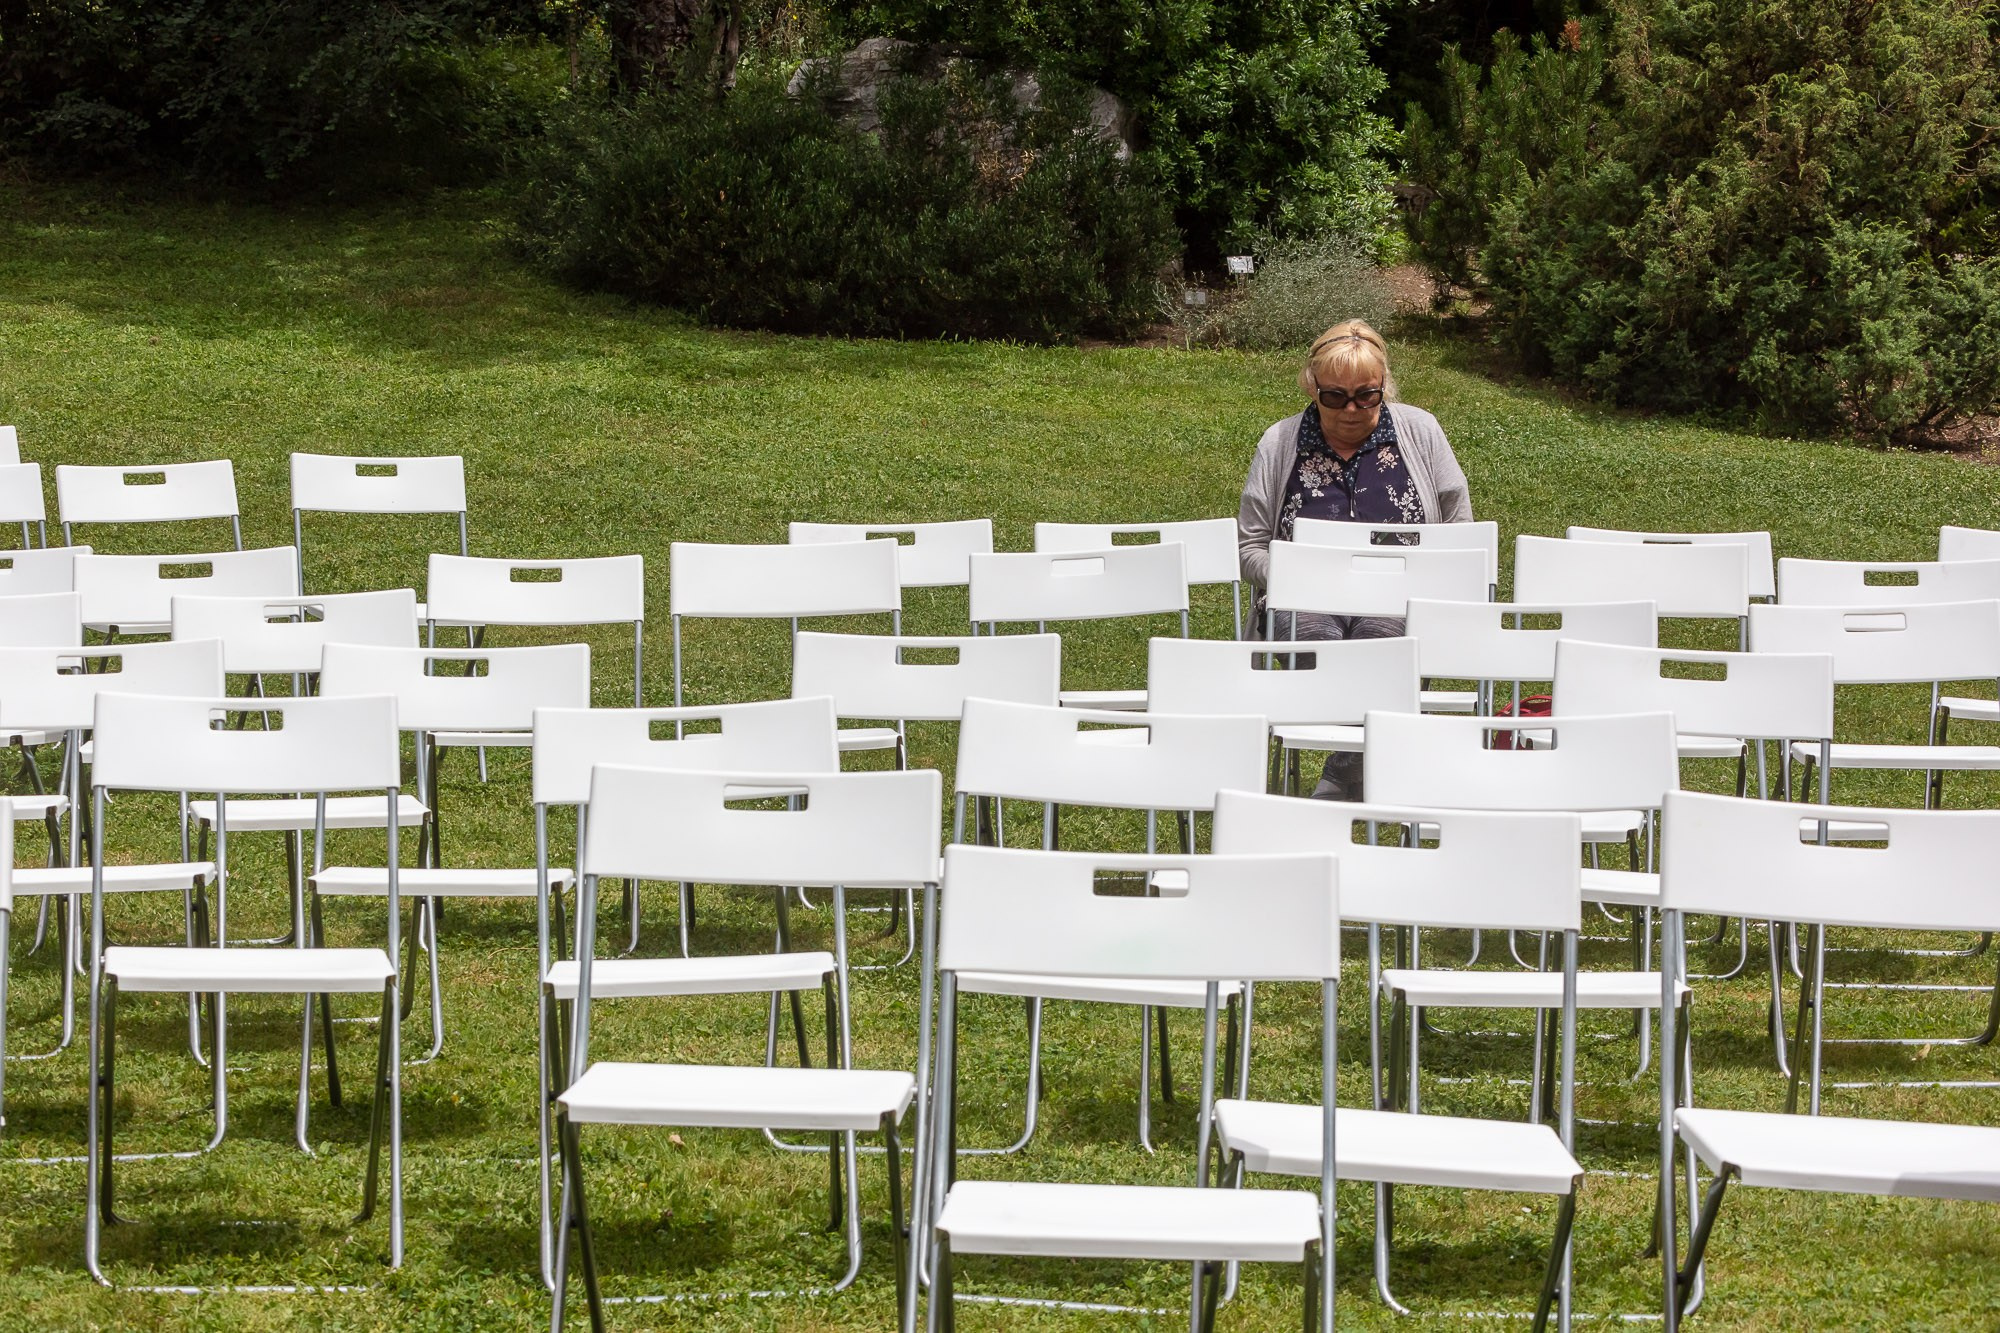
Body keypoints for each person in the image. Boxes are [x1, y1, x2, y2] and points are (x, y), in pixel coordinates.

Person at [1236, 319, 1474, 799]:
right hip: (1305, 602)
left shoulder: (1420, 432)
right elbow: (1249, 547)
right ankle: (1365, 781)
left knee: (1383, 652)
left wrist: (1425, 576)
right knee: (1329, 652)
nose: (1351, 408)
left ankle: (1337, 782)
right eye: (1334, 397)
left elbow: (1461, 532)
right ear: (1311, 387)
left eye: (1366, 395)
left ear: (1384, 386)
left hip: (1399, 602)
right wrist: (1295, 574)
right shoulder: (1280, 443)